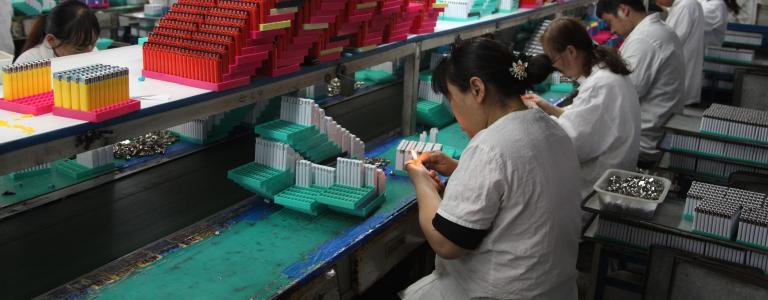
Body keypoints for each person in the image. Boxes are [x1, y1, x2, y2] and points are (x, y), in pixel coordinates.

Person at [400, 38, 582, 299]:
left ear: (477, 89)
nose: (453, 110)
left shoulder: (489, 146)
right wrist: (460, 169)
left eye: (452, 98)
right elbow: (521, 180)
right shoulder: (550, 128)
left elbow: (445, 243)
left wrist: (422, 184)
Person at [521, 17, 641, 199]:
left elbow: (570, 143)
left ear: (570, 51)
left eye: (554, 59)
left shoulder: (600, 85)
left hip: (600, 188)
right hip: (613, 172)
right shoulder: (605, 72)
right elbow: (590, 120)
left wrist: (536, 115)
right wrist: (549, 108)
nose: (554, 68)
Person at [597, 0, 685, 167]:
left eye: (610, 22)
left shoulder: (644, 40)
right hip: (658, 133)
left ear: (624, 10)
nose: (612, 30)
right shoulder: (656, 30)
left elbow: (622, 94)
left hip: (644, 145)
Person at [14, 0, 99, 64]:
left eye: (93, 43)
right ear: (51, 40)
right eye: (79, 48)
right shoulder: (29, 63)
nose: (89, 52)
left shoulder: (91, 50)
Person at [657, 0, 705, 106]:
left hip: (682, 65)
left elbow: (670, 39)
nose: (657, 3)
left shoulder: (685, 6)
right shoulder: (685, 4)